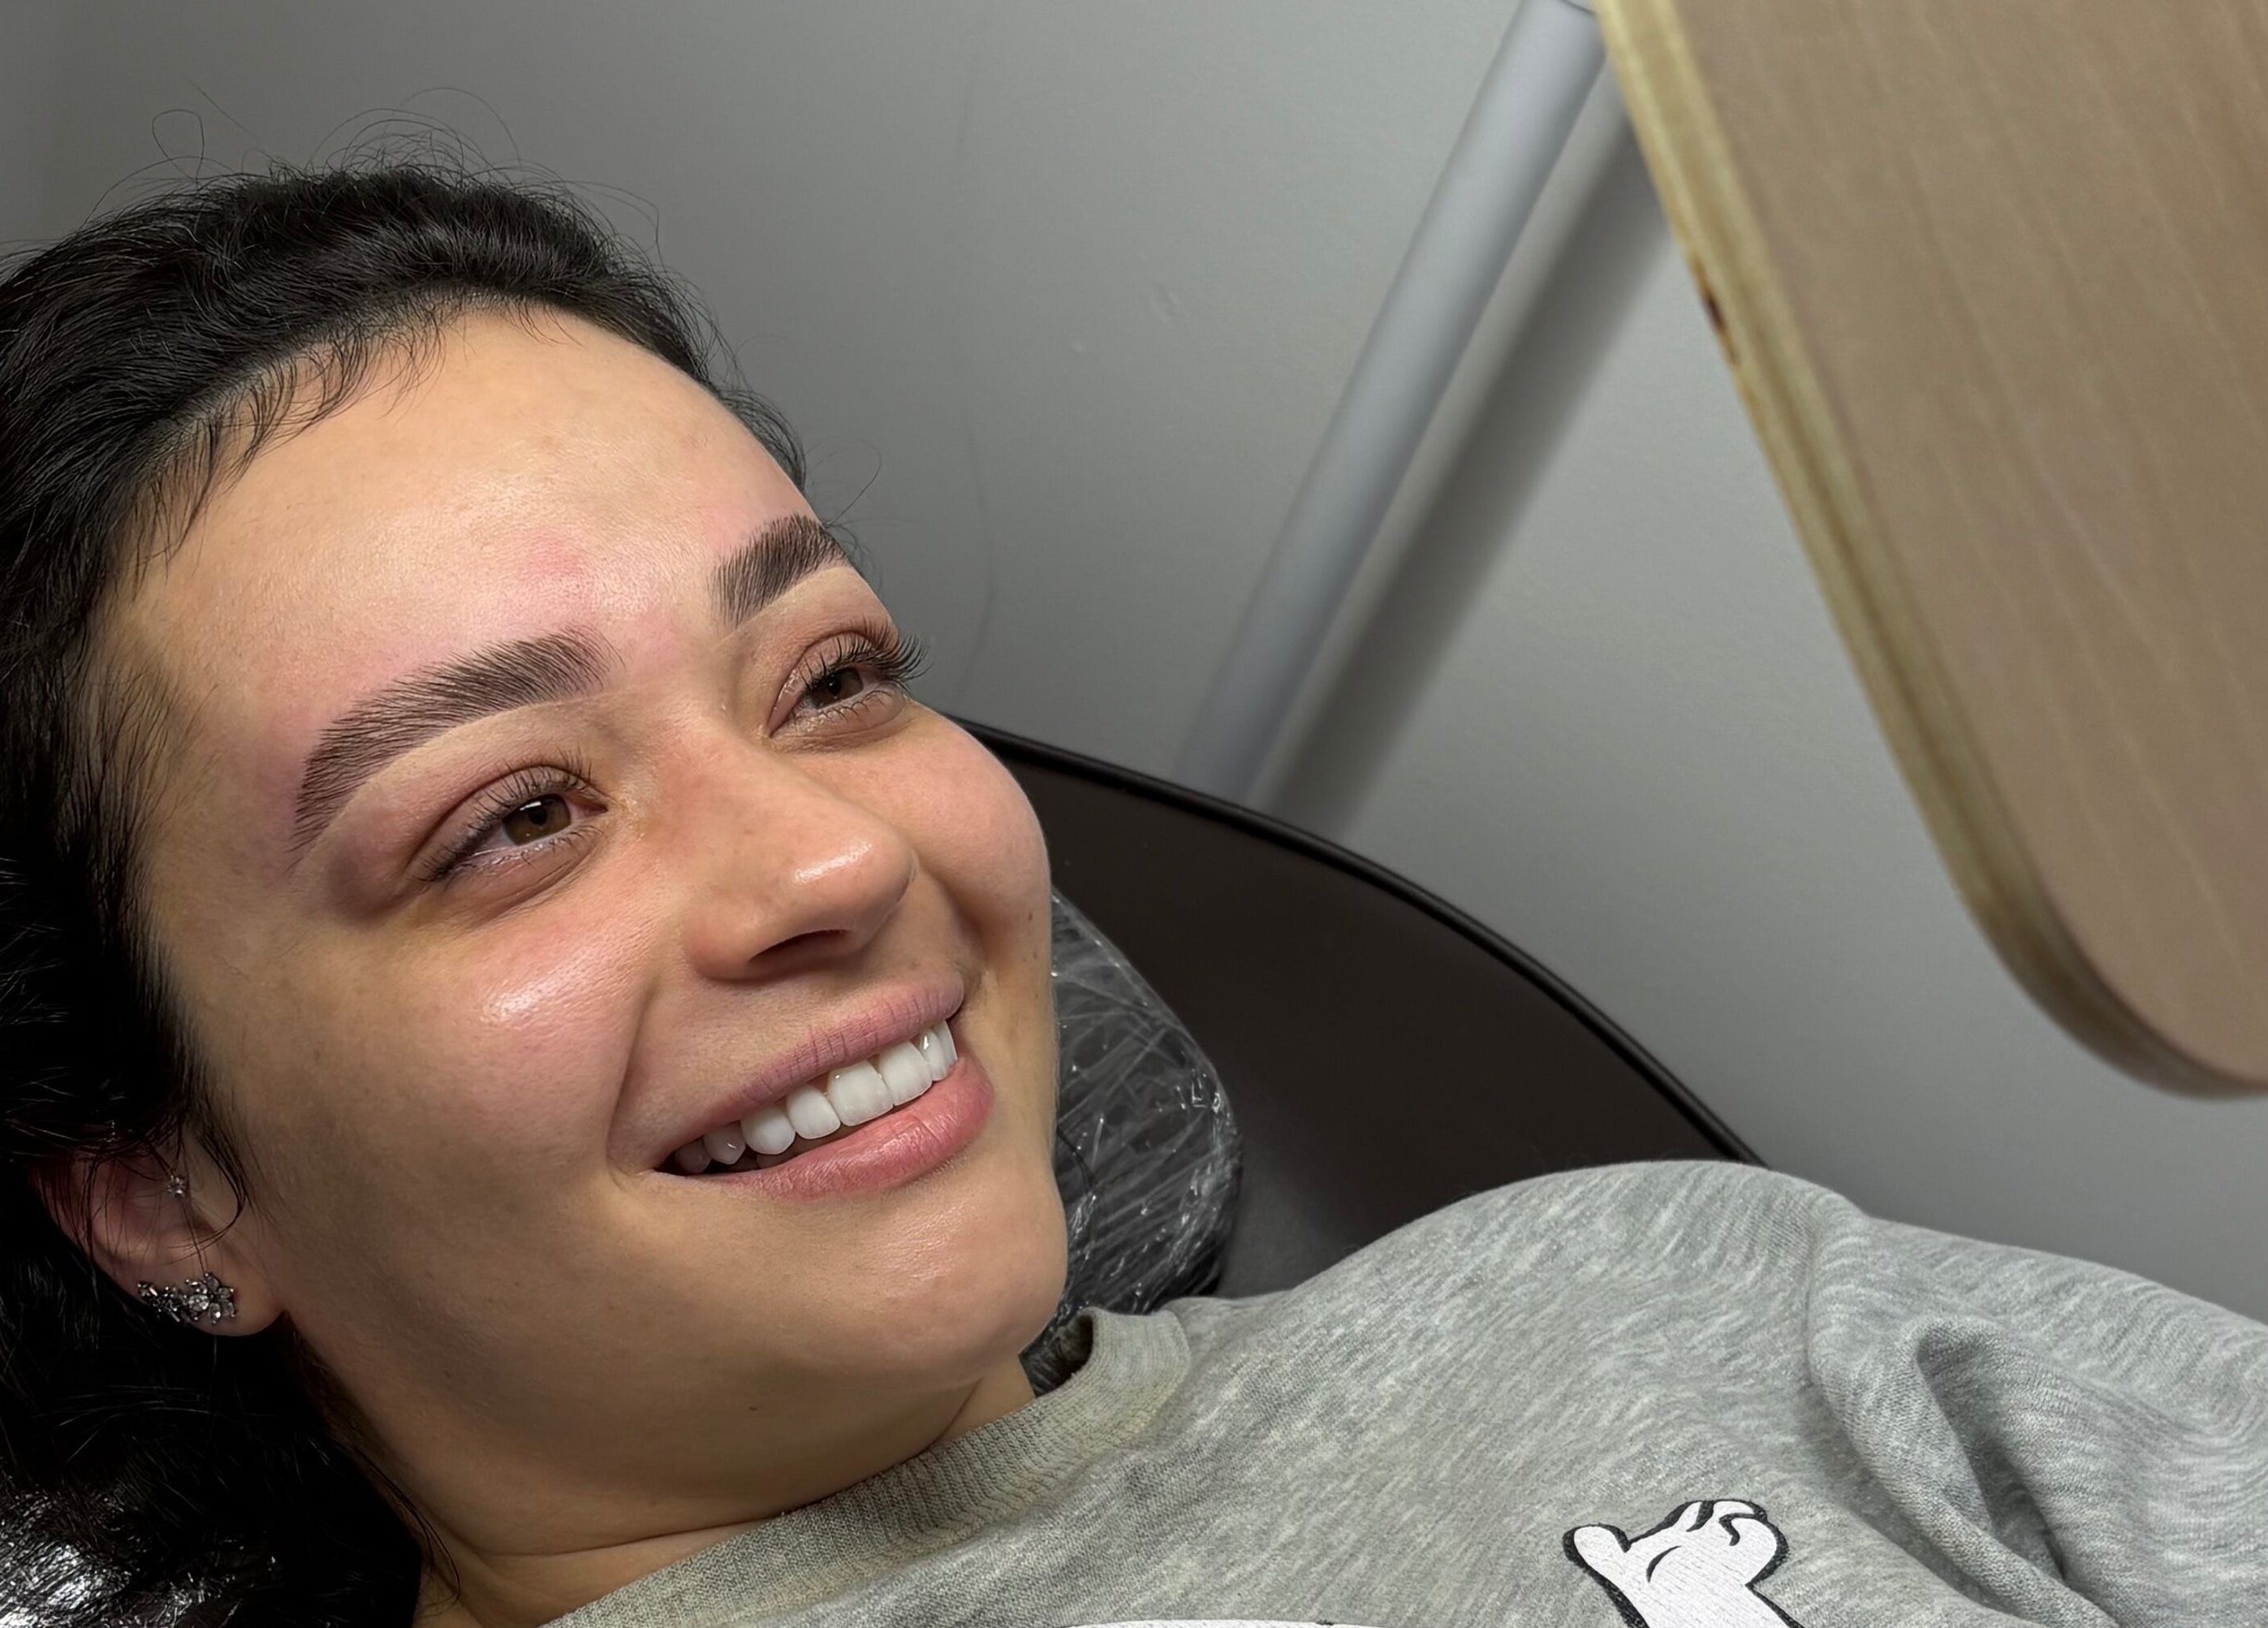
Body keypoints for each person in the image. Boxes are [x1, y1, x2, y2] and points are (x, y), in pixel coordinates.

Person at [0, 162, 2257, 1628]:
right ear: (160, 1185)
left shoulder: (1684, 1301)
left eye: (833, 677)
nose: (836, 855)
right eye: (512, 817)